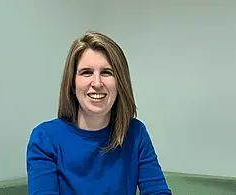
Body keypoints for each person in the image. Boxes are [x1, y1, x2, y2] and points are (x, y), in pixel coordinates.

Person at [26, 31, 172, 195]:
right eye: (86, 72)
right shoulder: (45, 138)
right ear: (73, 85)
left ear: (120, 83)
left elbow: (157, 191)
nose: (97, 83)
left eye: (107, 72)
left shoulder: (136, 133)